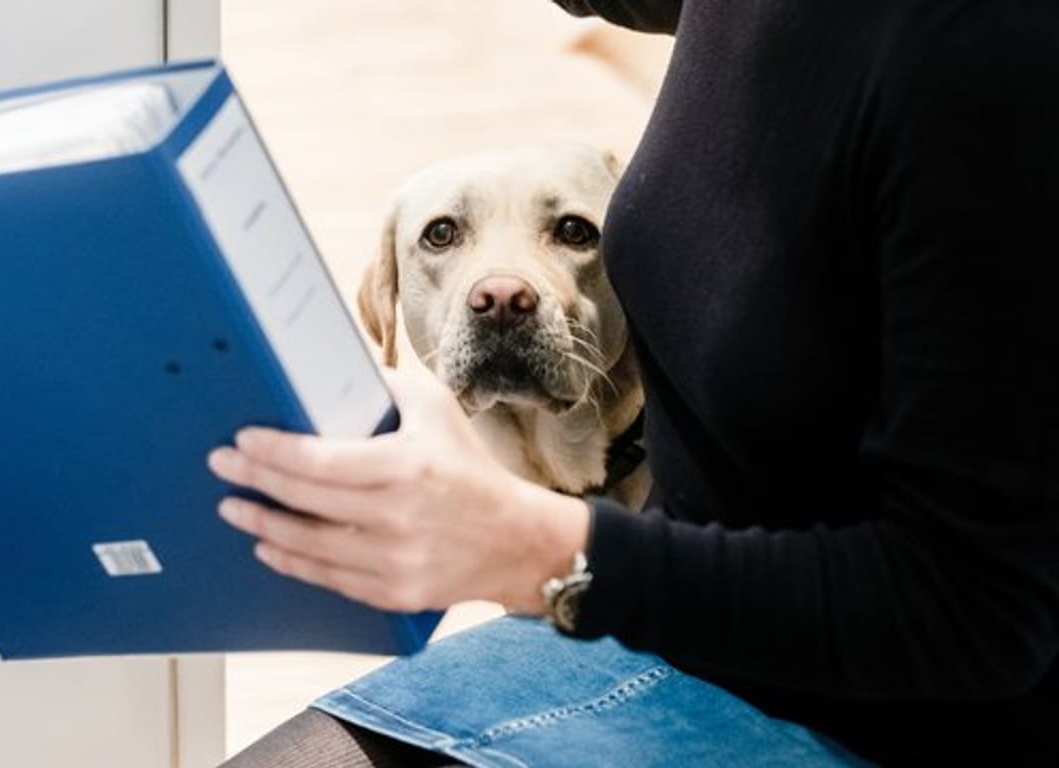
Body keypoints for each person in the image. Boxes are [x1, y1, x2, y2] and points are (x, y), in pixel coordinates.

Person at [207, 0, 1059, 764]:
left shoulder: (986, 49)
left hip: (874, 711)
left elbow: (973, 612)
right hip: (673, 627)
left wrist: (537, 550)